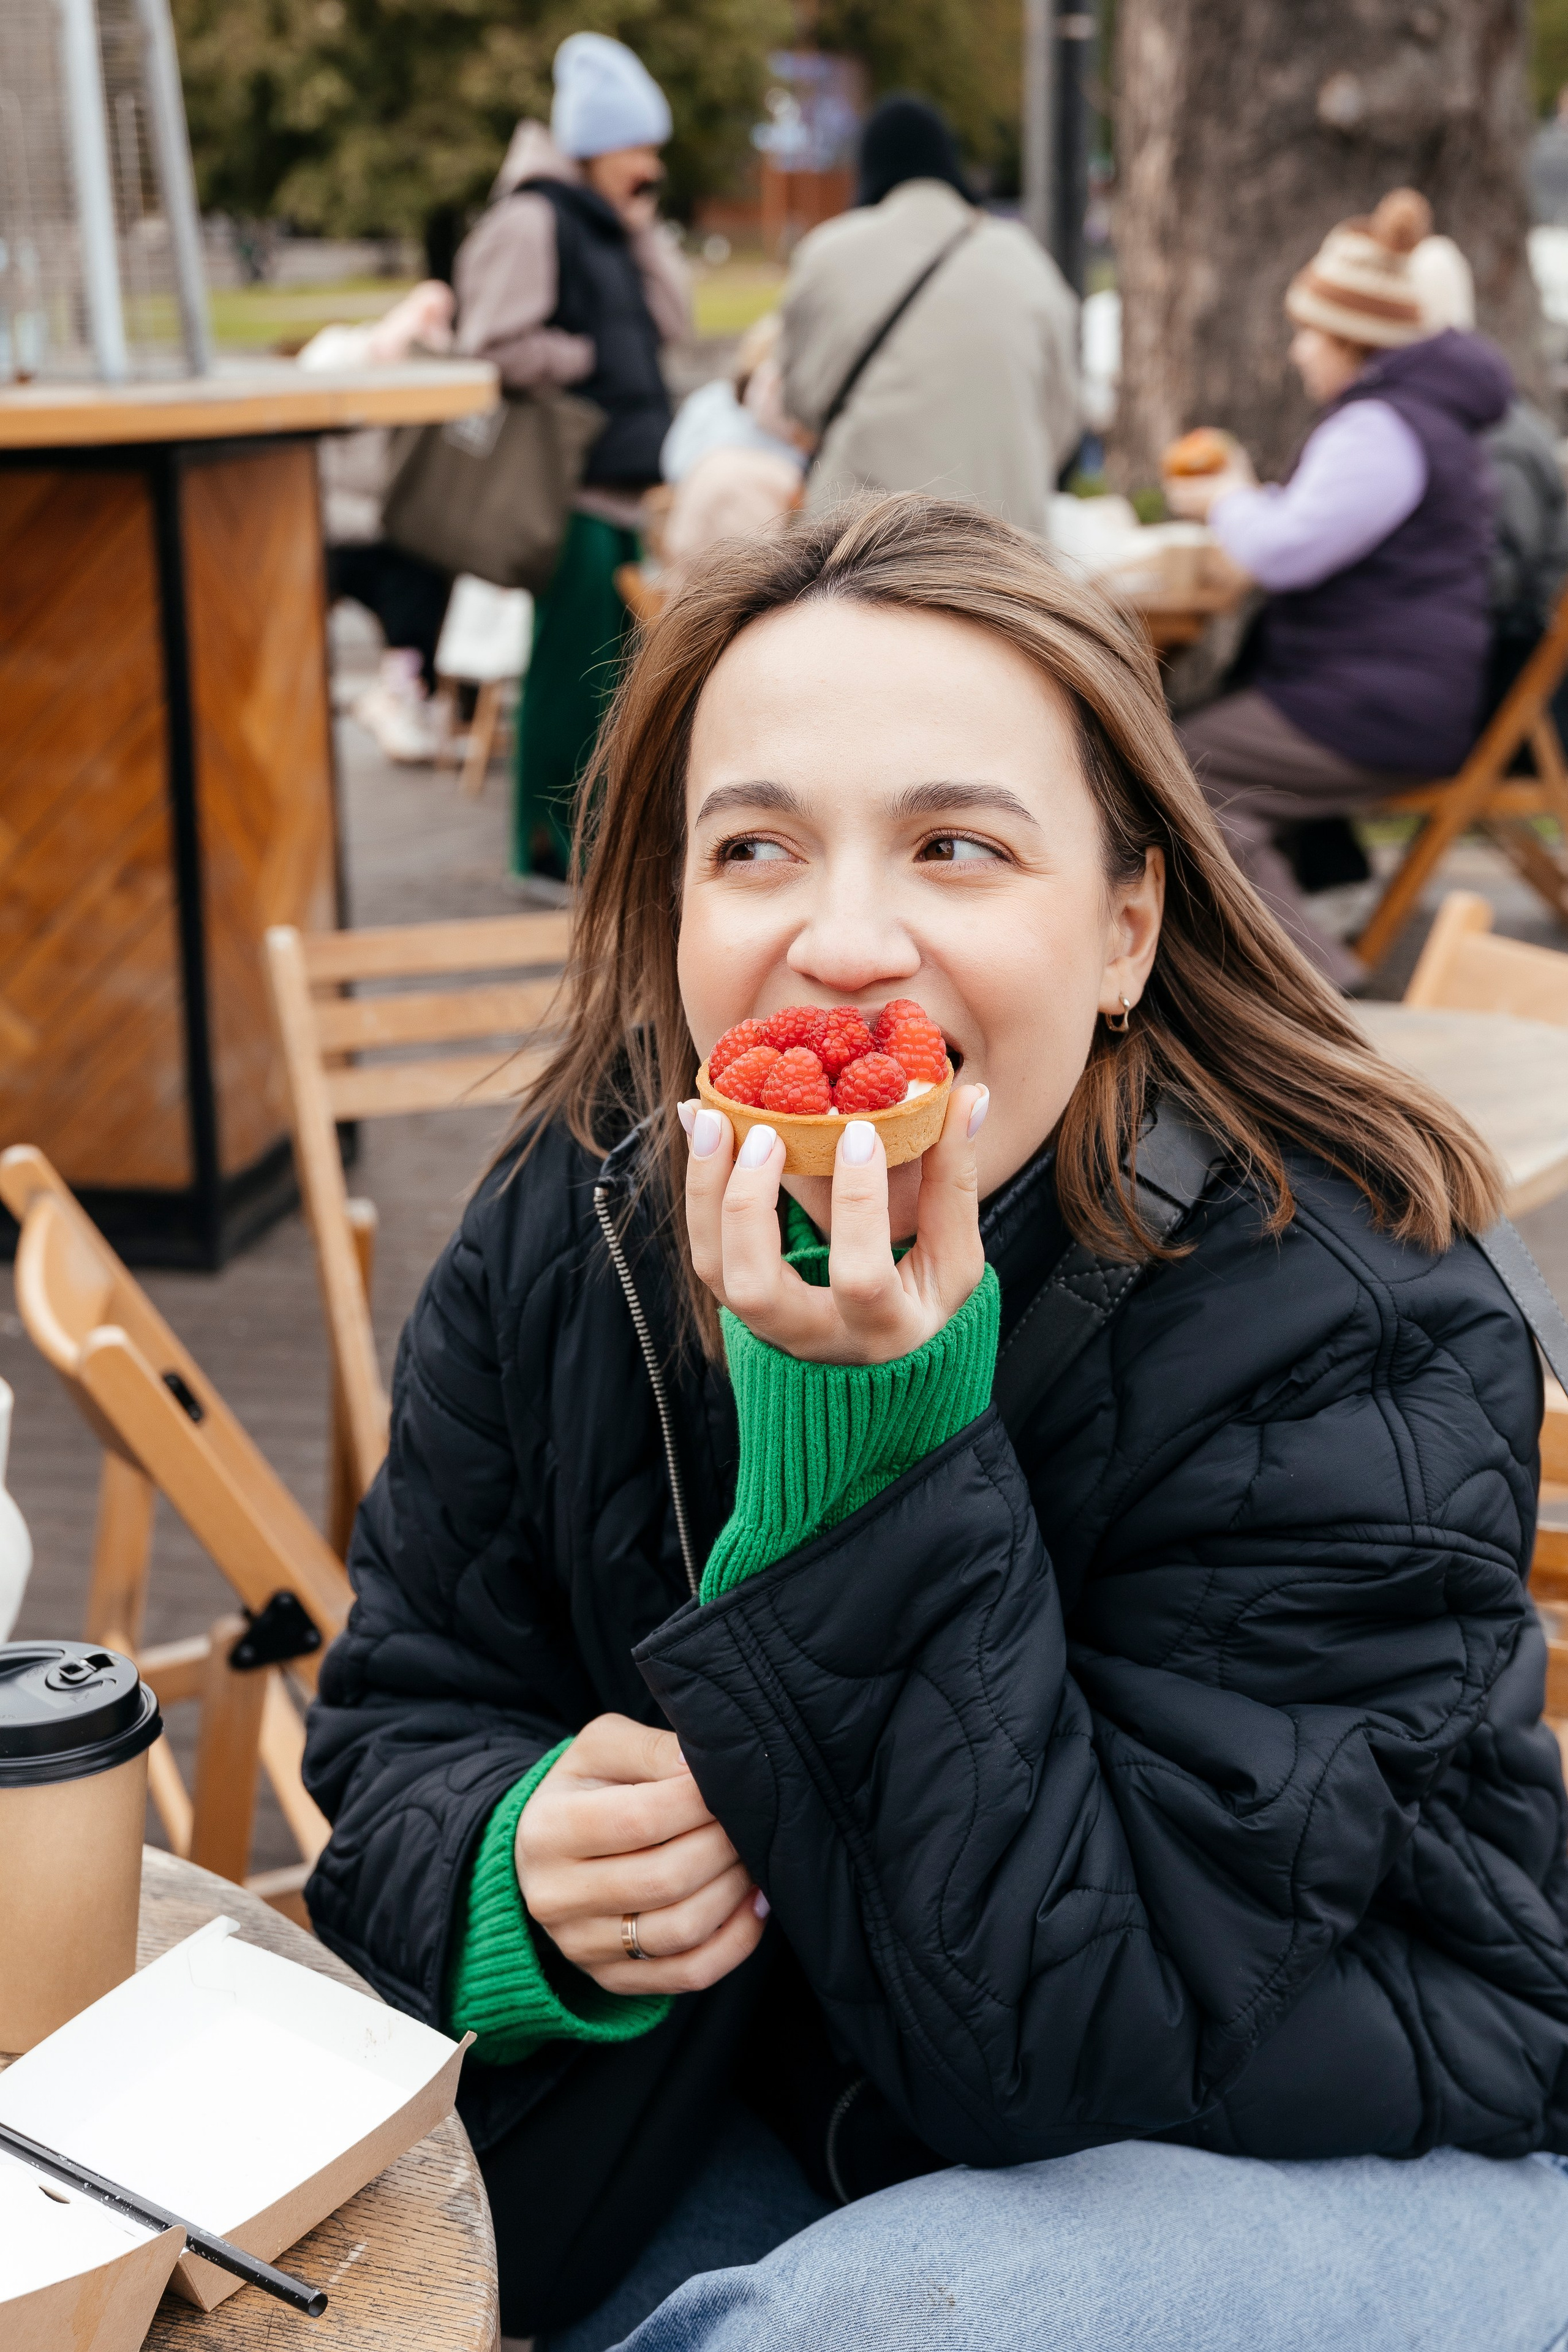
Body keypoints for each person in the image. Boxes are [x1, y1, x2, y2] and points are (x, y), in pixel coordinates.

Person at [302, 496, 1568, 2352]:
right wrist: (512, 1875)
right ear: (669, 911)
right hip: (794, 2102)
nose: (842, 944)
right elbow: (397, 1720)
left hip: (1309, 2157)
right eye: (754, 847)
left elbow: (1070, 2044)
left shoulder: (1348, 1326)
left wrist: (866, 1444)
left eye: (956, 845)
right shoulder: (561, 1227)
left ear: (1126, 923)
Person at [1167, 188, 1512, 990]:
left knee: (1178, 776)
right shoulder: (1420, 417)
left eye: (1308, 332)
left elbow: (1287, 553)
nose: (1297, 352)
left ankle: (1321, 992)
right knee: (1188, 759)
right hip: (1399, 689)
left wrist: (1226, 499)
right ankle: (1295, 974)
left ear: (1352, 337)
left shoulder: (1380, 429)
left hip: (1374, 702)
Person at [453, 32, 691, 878]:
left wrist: (639, 230)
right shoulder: (534, 220)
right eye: (637, 146)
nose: (649, 165)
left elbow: (672, 321)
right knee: (570, 683)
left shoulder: (604, 224)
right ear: (593, 144)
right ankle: (549, 849)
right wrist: (585, 358)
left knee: (611, 687)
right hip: (569, 489)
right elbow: (491, 344)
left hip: (622, 487)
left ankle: (594, 848)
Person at [778, 96, 1080, 532]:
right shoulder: (1026, 259)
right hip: (1003, 550)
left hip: (867, 549)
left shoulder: (829, 254)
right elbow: (1062, 418)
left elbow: (801, 404)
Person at [301, 281, 458, 763]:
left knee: (427, 571)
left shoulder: (423, 378)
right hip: (328, 528)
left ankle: (405, 689)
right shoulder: (341, 352)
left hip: (384, 533)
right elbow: (320, 374)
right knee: (410, 568)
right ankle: (399, 691)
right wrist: (388, 342)